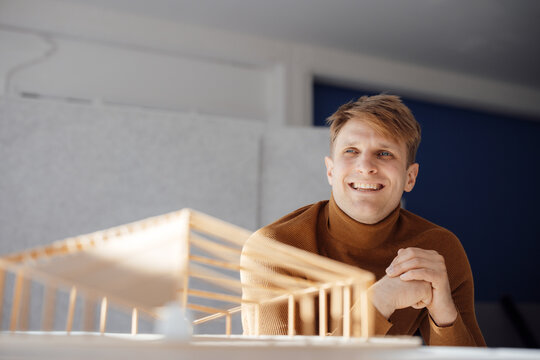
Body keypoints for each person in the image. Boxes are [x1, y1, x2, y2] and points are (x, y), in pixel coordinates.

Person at [240, 94, 485, 346]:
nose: (365, 166)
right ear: (331, 171)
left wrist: (445, 316)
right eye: (351, 151)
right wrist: (378, 302)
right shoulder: (274, 248)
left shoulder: (438, 250)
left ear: (410, 177)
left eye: (384, 153)